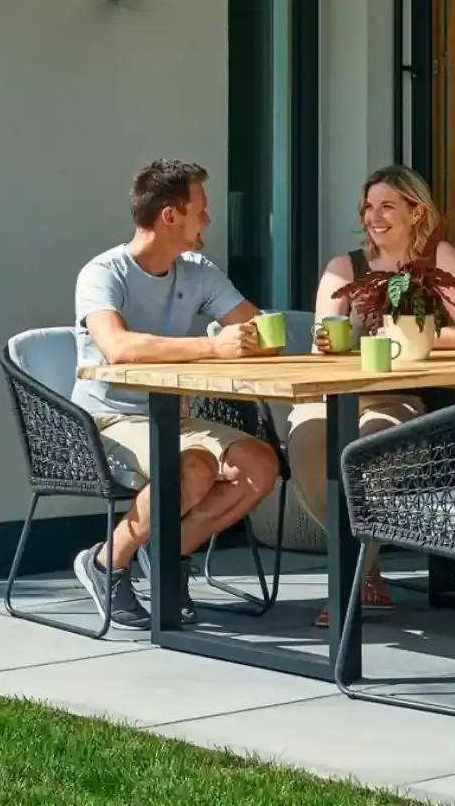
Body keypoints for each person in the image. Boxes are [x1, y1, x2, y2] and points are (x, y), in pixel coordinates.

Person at [69, 158, 285, 630]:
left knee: (261, 463)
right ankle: (108, 564)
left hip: (175, 416)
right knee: (192, 466)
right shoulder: (104, 273)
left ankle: (168, 556)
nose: (208, 220)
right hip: (106, 417)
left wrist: (264, 336)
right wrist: (213, 345)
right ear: (171, 215)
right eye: (201, 211)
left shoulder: (198, 271)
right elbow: (117, 347)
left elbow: (259, 328)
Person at [287, 165, 455, 626]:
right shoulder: (343, 268)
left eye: (387, 206)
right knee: (306, 450)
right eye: (368, 206)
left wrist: (414, 336)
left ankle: (347, 582)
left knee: (368, 457)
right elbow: (324, 340)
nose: (374, 216)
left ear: (416, 211)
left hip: (393, 399)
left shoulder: (437, 259)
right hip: (329, 398)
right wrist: (328, 342)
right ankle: (368, 569)